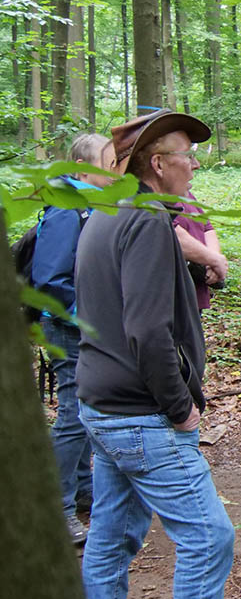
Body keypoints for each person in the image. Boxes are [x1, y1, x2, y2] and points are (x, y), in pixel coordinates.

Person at [74, 109, 241, 599]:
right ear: (157, 164)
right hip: (140, 414)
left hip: (101, 406)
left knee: (111, 534)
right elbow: (146, 329)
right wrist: (180, 406)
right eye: (186, 154)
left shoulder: (109, 213)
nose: (195, 162)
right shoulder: (142, 220)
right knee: (208, 536)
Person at [30, 132, 116, 546]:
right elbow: (50, 278)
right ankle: (57, 506)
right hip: (68, 326)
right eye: (108, 161)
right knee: (72, 412)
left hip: (83, 323)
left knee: (83, 410)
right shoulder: (68, 208)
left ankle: (82, 486)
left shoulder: (91, 205)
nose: (115, 168)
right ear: (84, 168)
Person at [173, 194, 227, 311]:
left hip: (196, 291)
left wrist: (212, 262)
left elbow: (207, 228)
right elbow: (172, 232)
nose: (191, 176)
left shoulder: (187, 195)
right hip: (172, 293)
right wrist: (213, 260)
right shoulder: (155, 200)